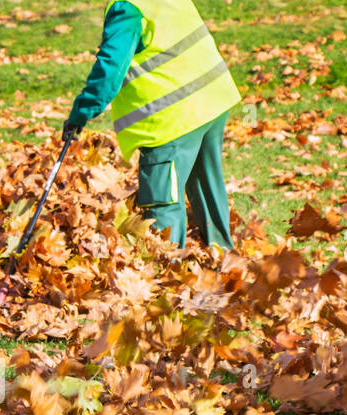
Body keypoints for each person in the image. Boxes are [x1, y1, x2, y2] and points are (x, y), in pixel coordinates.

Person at [64, 0, 241, 248]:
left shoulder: (126, 9)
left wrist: (81, 112)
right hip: (211, 98)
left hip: (172, 118)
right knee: (206, 183)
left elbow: (110, 68)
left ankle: (166, 272)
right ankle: (225, 258)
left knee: (162, 203)